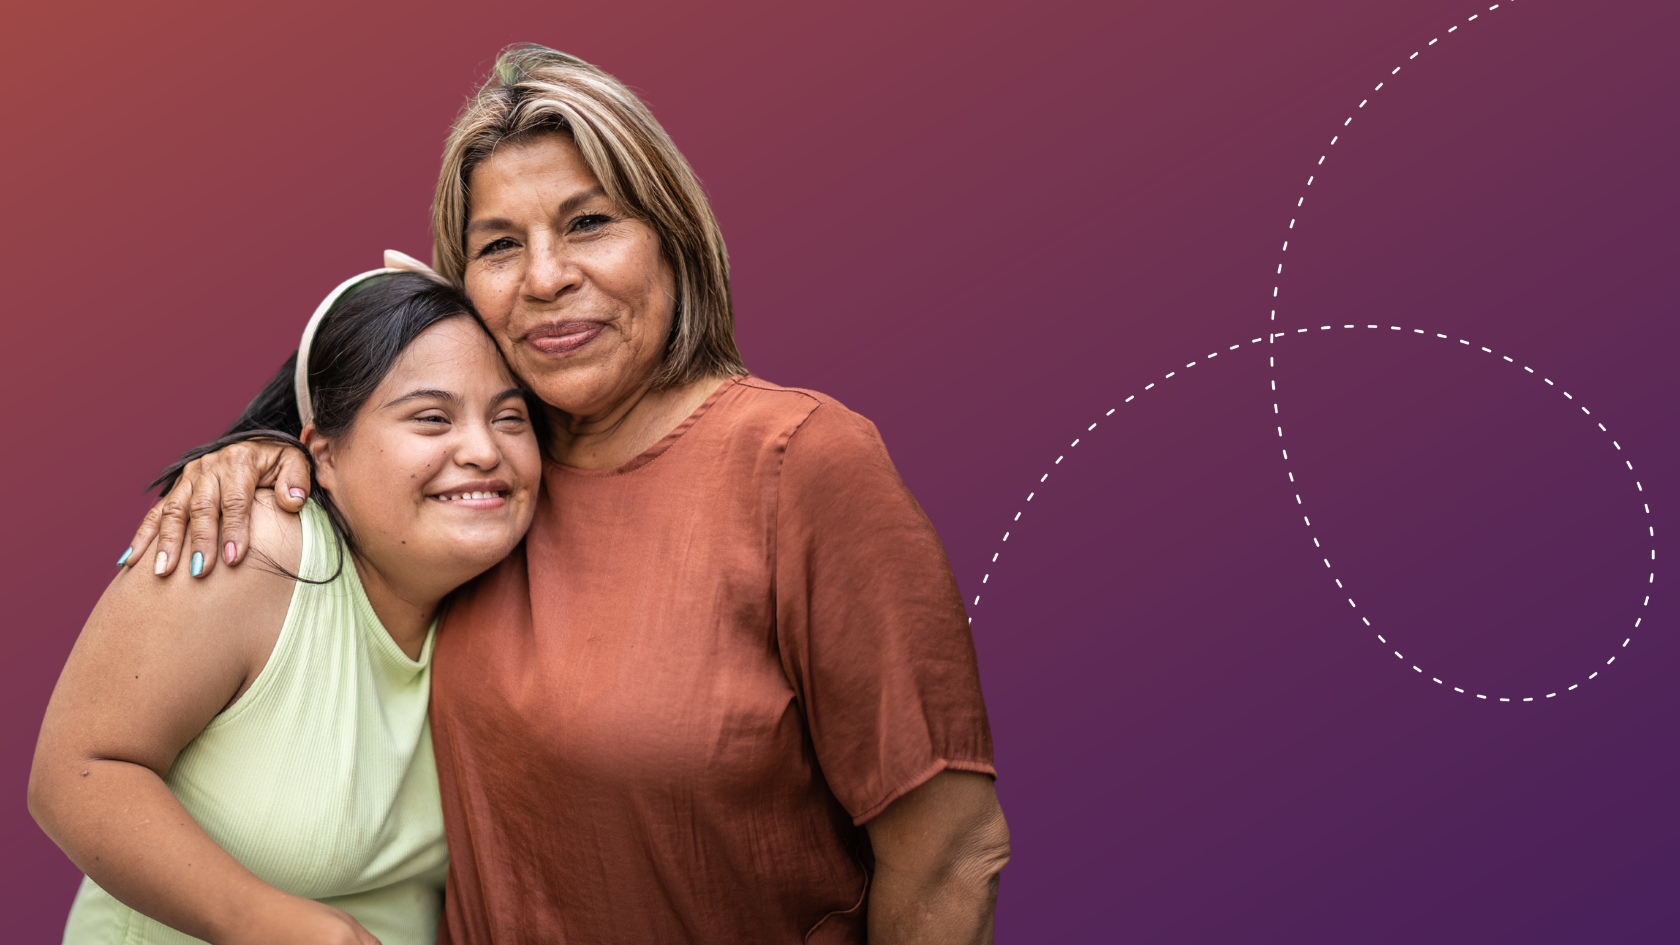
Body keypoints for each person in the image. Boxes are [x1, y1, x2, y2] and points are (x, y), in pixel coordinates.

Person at [123, 45, 1010, 944]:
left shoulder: (802, 462)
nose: (545, 277)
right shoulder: (478, 483)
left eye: (588, 224)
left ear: (671, 236)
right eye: (500, 245)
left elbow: (950, 851)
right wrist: (261, 454)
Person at [32, 263, 543, 944]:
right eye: (431, 417)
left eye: (510, 417)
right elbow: (75, 772)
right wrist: (262, 921)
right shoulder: (249, 549)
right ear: (323, 455)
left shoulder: (511, 587)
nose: (484, 449)